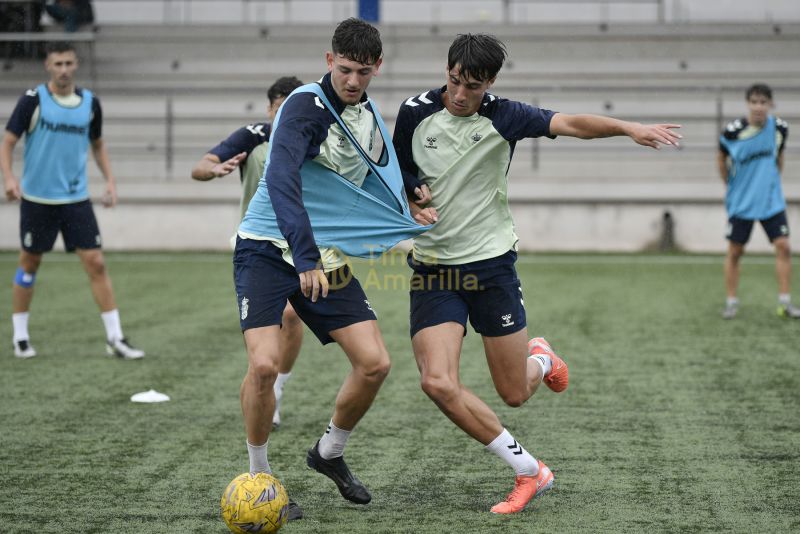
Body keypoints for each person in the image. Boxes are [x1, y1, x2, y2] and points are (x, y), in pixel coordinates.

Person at [392, 33, 681, 514]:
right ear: (446, 71)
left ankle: (540, 359)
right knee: (437, 383)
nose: (462, 94)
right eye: (456, 81)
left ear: (492, 83)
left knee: (514, 394)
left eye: (475, 86)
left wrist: (628, 127)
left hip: (490, 267)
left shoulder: (505, 115)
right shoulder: (414, 111)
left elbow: (569, 123)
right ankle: (530, 471)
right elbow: (397, 166)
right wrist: (409, 194)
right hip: (434, 270)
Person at [233, 17, 427, 515]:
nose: (353, 81)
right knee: (263, 365)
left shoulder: (367, 115)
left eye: (364, 71)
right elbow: (281, 181)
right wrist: (304, 258)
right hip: (268, 247)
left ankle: (329, 453)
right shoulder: (304, 106)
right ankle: (261, 477)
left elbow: (374, 174)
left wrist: (413, 192)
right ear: (327, 61)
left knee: (375, 363)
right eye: (344, 70)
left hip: (325, 254)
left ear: (377, 67)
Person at [1, 41, 144, 360]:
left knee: (96, 262)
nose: (64, 69)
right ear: (48, 66)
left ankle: (115, 337)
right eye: (58, 64)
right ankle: (21, 337)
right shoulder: (33, 100)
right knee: (29, 263)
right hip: (37, 198)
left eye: (68, 63)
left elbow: (98, 143)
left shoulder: (90, 103)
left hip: (75, 199)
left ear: (76, 64)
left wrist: (110, 181)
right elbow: (8, 141)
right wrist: (9, 179)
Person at [191, 76, 304, 429]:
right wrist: (215, 170)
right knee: (273, 321)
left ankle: (277, 391)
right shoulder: (254, 136)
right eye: (279, 106)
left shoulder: (310, 136)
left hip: (300, 242)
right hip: (255, 245)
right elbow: (199, 168)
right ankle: (263, 385)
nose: (285, 113)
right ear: (270, 108)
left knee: (293, 317)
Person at [718, 83, 798, 319]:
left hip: (771, 201)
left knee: (783, 246)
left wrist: (771, 183)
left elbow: (779, 157)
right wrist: (730, 185)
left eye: (763, 102)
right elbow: (720, 158)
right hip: (741, 201)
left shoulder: (780, 128)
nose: (758, 107)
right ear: (747, 104)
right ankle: (731, 302)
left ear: (770, 105)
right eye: (754, 102)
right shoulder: (733, 132)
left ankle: (785, 303)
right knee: (735, 251)